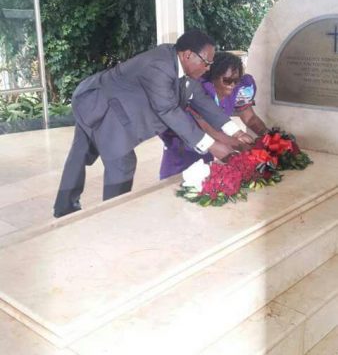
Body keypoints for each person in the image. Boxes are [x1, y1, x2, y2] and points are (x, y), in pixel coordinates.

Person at [53, 30, 253, 218]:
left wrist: (235, 132)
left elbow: (203, 103)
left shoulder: (187, 73)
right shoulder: (160, 65)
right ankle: (113, 218)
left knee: (80, 152)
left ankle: (64, 208)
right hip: (98, 102)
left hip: (113, 105)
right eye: (206, 62)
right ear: (188, 55)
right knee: (121, 162)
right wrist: (210, 145)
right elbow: (168, 110)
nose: (208, 68)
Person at [160, 51, 267, 179]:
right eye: (227, 80)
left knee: (207, 178)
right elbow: (211, 132)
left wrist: (269, 138)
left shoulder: (237, 89)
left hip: (208, 148)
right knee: (180, 187)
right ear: (214, 77)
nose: (232, 85)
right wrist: (242, 152)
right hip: (183, 148)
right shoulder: (199, 92)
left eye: (236, 80)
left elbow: (250, 118)